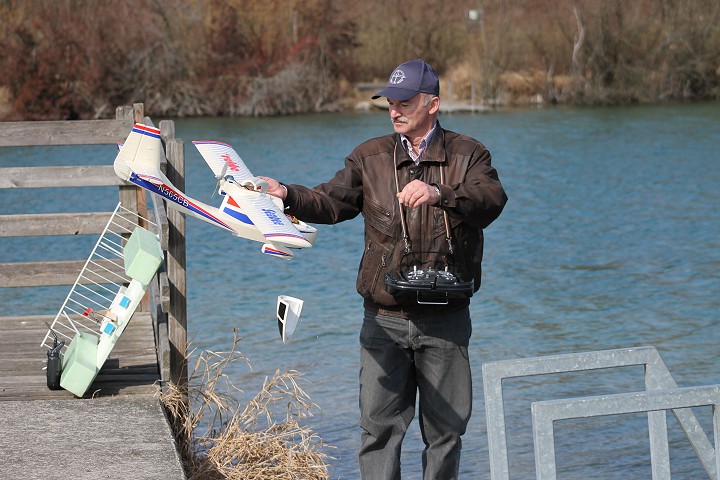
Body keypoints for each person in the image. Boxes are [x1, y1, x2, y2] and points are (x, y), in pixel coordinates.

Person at [261, 59, 507, 479]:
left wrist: (439, 192)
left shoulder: (469, 154)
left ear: (433, 104)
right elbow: (331, 201)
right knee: (377, 432)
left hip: (446, 320)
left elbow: (491, 200)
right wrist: (286, 194)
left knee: (446, 434)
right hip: (383, 319)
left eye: (405, 101)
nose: (395, 110)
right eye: (389, 102)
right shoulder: (369, 157)